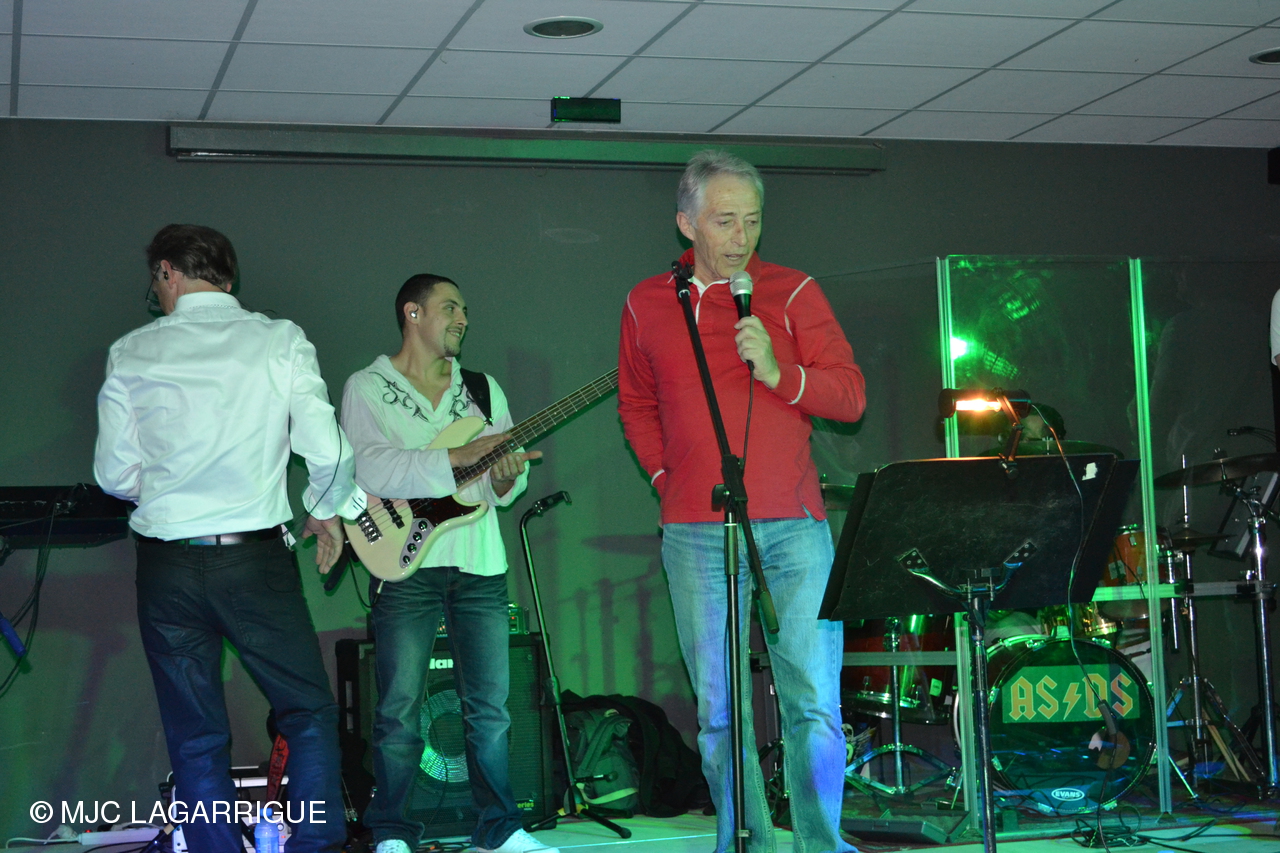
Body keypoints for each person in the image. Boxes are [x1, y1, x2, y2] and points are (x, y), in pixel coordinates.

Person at [618, 151, 866, 853]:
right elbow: (636, 404)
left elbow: (850, 396)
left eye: (752, 220)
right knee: (720, 711)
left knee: (812, 700)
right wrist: (666, 479)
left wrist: (781, 373)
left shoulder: (792, 291)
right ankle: (748, 841)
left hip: (795, 526)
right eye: (725, 220)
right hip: (695, 529)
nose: (741, 236)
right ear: (686, 223)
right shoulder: (646, 303)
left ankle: (820, 844)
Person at [94, 224, 363, 852]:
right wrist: (323, 511)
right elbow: (328, 452)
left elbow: (114, 476)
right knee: (307, 711)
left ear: (167, 272)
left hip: (167, 567)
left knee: (194, 733)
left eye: (156, 281)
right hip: (253, 561)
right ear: (228, 277)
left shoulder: (131, 351)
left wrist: (168, 493)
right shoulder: (279, 339)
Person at [340, 274, 552, 853]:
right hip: (403, 566)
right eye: (450, 307)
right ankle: (391, 833)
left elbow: (502, 484)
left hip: (480, 563)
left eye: (464, 310)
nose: (463, 319)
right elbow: (371, 466)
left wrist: (506, 478)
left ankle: (500, 829)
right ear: (412, 313)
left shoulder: (482, 389)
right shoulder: (368, 386)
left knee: (491, 710)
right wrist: (456, 456)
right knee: (398, 710)